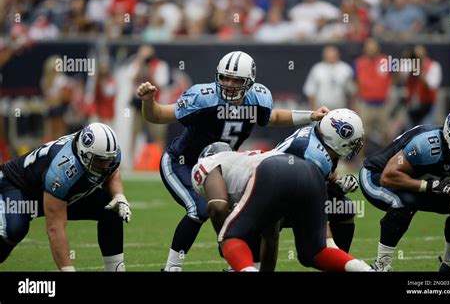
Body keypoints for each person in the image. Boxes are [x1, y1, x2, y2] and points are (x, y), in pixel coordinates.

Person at [137, 50, 329, 271]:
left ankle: (246, 264)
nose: (228, 83)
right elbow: (158, 115)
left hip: (221, 168)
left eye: (236, 79)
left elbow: (273, 117)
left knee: (250, 210)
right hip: (183, 163)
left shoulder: (258, 98)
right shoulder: (203, 97)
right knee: (199, 210)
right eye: (224, 77)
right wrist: (148, 101)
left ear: (249, 82)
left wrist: (310, 115)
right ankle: (172, 267)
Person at [191, 142, 371, 272]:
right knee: (314, 252)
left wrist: (224, 240)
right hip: (308, 173)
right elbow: (271, 238)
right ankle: (363, 269)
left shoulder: (207, 163)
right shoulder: (244, 164)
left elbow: (218, 206)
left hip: (272, 172)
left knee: (230, 237)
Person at [0, 123, 131, 271]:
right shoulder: (62, 170)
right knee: (15, 229)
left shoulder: (106, 154)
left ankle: (115, 269)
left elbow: (112, 172)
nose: (106, 165)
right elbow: (55, 229)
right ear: (83, 154)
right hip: (18, 187)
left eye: (109, 160)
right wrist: (67, 269)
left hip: (54, 191)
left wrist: (118, 195)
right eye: (100, 161)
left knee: (111, 208)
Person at [359, 107, 450, 271]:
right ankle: (381, 265)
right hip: (375, 176)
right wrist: (429, 186)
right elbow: (388, 177)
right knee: (406, 202)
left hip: (412, 182)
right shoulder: (427, 144)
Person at [275, 108, 364, 252]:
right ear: (339, 138)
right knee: (311, 250)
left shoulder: (321, 139)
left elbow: (325, 176)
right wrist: (328, 242)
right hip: (275, 199)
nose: (355, 146)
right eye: (352, 142)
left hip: (292, 192)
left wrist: (340, 183)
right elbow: (314, 202)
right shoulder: (314, 155)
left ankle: (338, 265)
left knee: (344, 207)